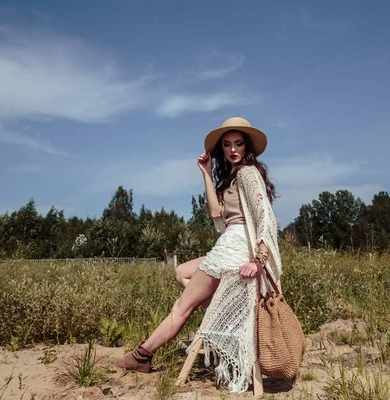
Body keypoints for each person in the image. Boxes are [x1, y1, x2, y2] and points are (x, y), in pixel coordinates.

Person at [114, 117, 283, 393]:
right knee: (182, 272)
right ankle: (219, 319)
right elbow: (217, 216)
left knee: (183, 306)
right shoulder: (233, 176)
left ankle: (141, 356)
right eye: (227, 145)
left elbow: (266, 216)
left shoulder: (248, 173)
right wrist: (206, 172)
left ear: (247, 147)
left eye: (238, 144)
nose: (232, 150)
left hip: (237, 248)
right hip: (230, 244)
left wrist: (259, 261)